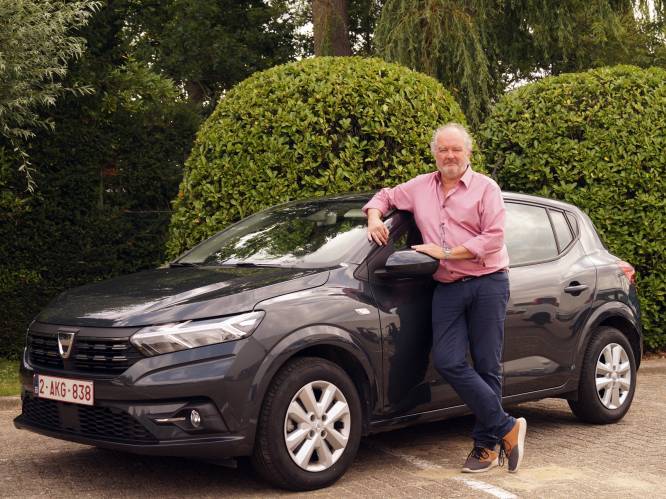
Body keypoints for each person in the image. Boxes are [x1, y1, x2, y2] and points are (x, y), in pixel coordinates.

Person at [363, 123, 526, 473]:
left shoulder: (486, 188)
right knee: (449, 361)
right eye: (443, 150)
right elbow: (386, 196)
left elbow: (494, 238)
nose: (449, 156)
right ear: (434, 153)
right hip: (448, 287)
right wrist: (375, 217)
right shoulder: (421, 186)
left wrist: (445, 252)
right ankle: (506, 426)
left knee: (487, 365)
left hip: (488, 281)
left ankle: (484, 448)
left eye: (456, 149)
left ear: (468, 152)